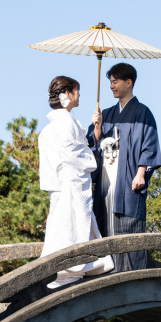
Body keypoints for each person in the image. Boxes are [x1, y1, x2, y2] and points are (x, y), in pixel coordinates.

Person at [38, 75, 114, 290]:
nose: (79, 95)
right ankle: (69, 270)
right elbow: (73, 153)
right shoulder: (66, 123)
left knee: (66, 226)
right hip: (70, 185)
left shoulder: (53, 126)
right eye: (77, 91)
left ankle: (69, 269)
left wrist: (93, 130)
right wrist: (92, 155)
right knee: (71, 226)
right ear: (67, 95)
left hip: (61, 185)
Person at [87, 62, 161, 272]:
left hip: (128, 178)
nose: (111, 86)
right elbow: (92, 145)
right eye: (110, 82)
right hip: (106, 179)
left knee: (129, 226)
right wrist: (97, 128)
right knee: (105, 224)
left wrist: (141, 173)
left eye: (115, 81)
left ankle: (131, 276)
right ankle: (105, 274)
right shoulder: (106, 114)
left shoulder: (143, 112)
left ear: (128, 83)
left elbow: (149, 144)